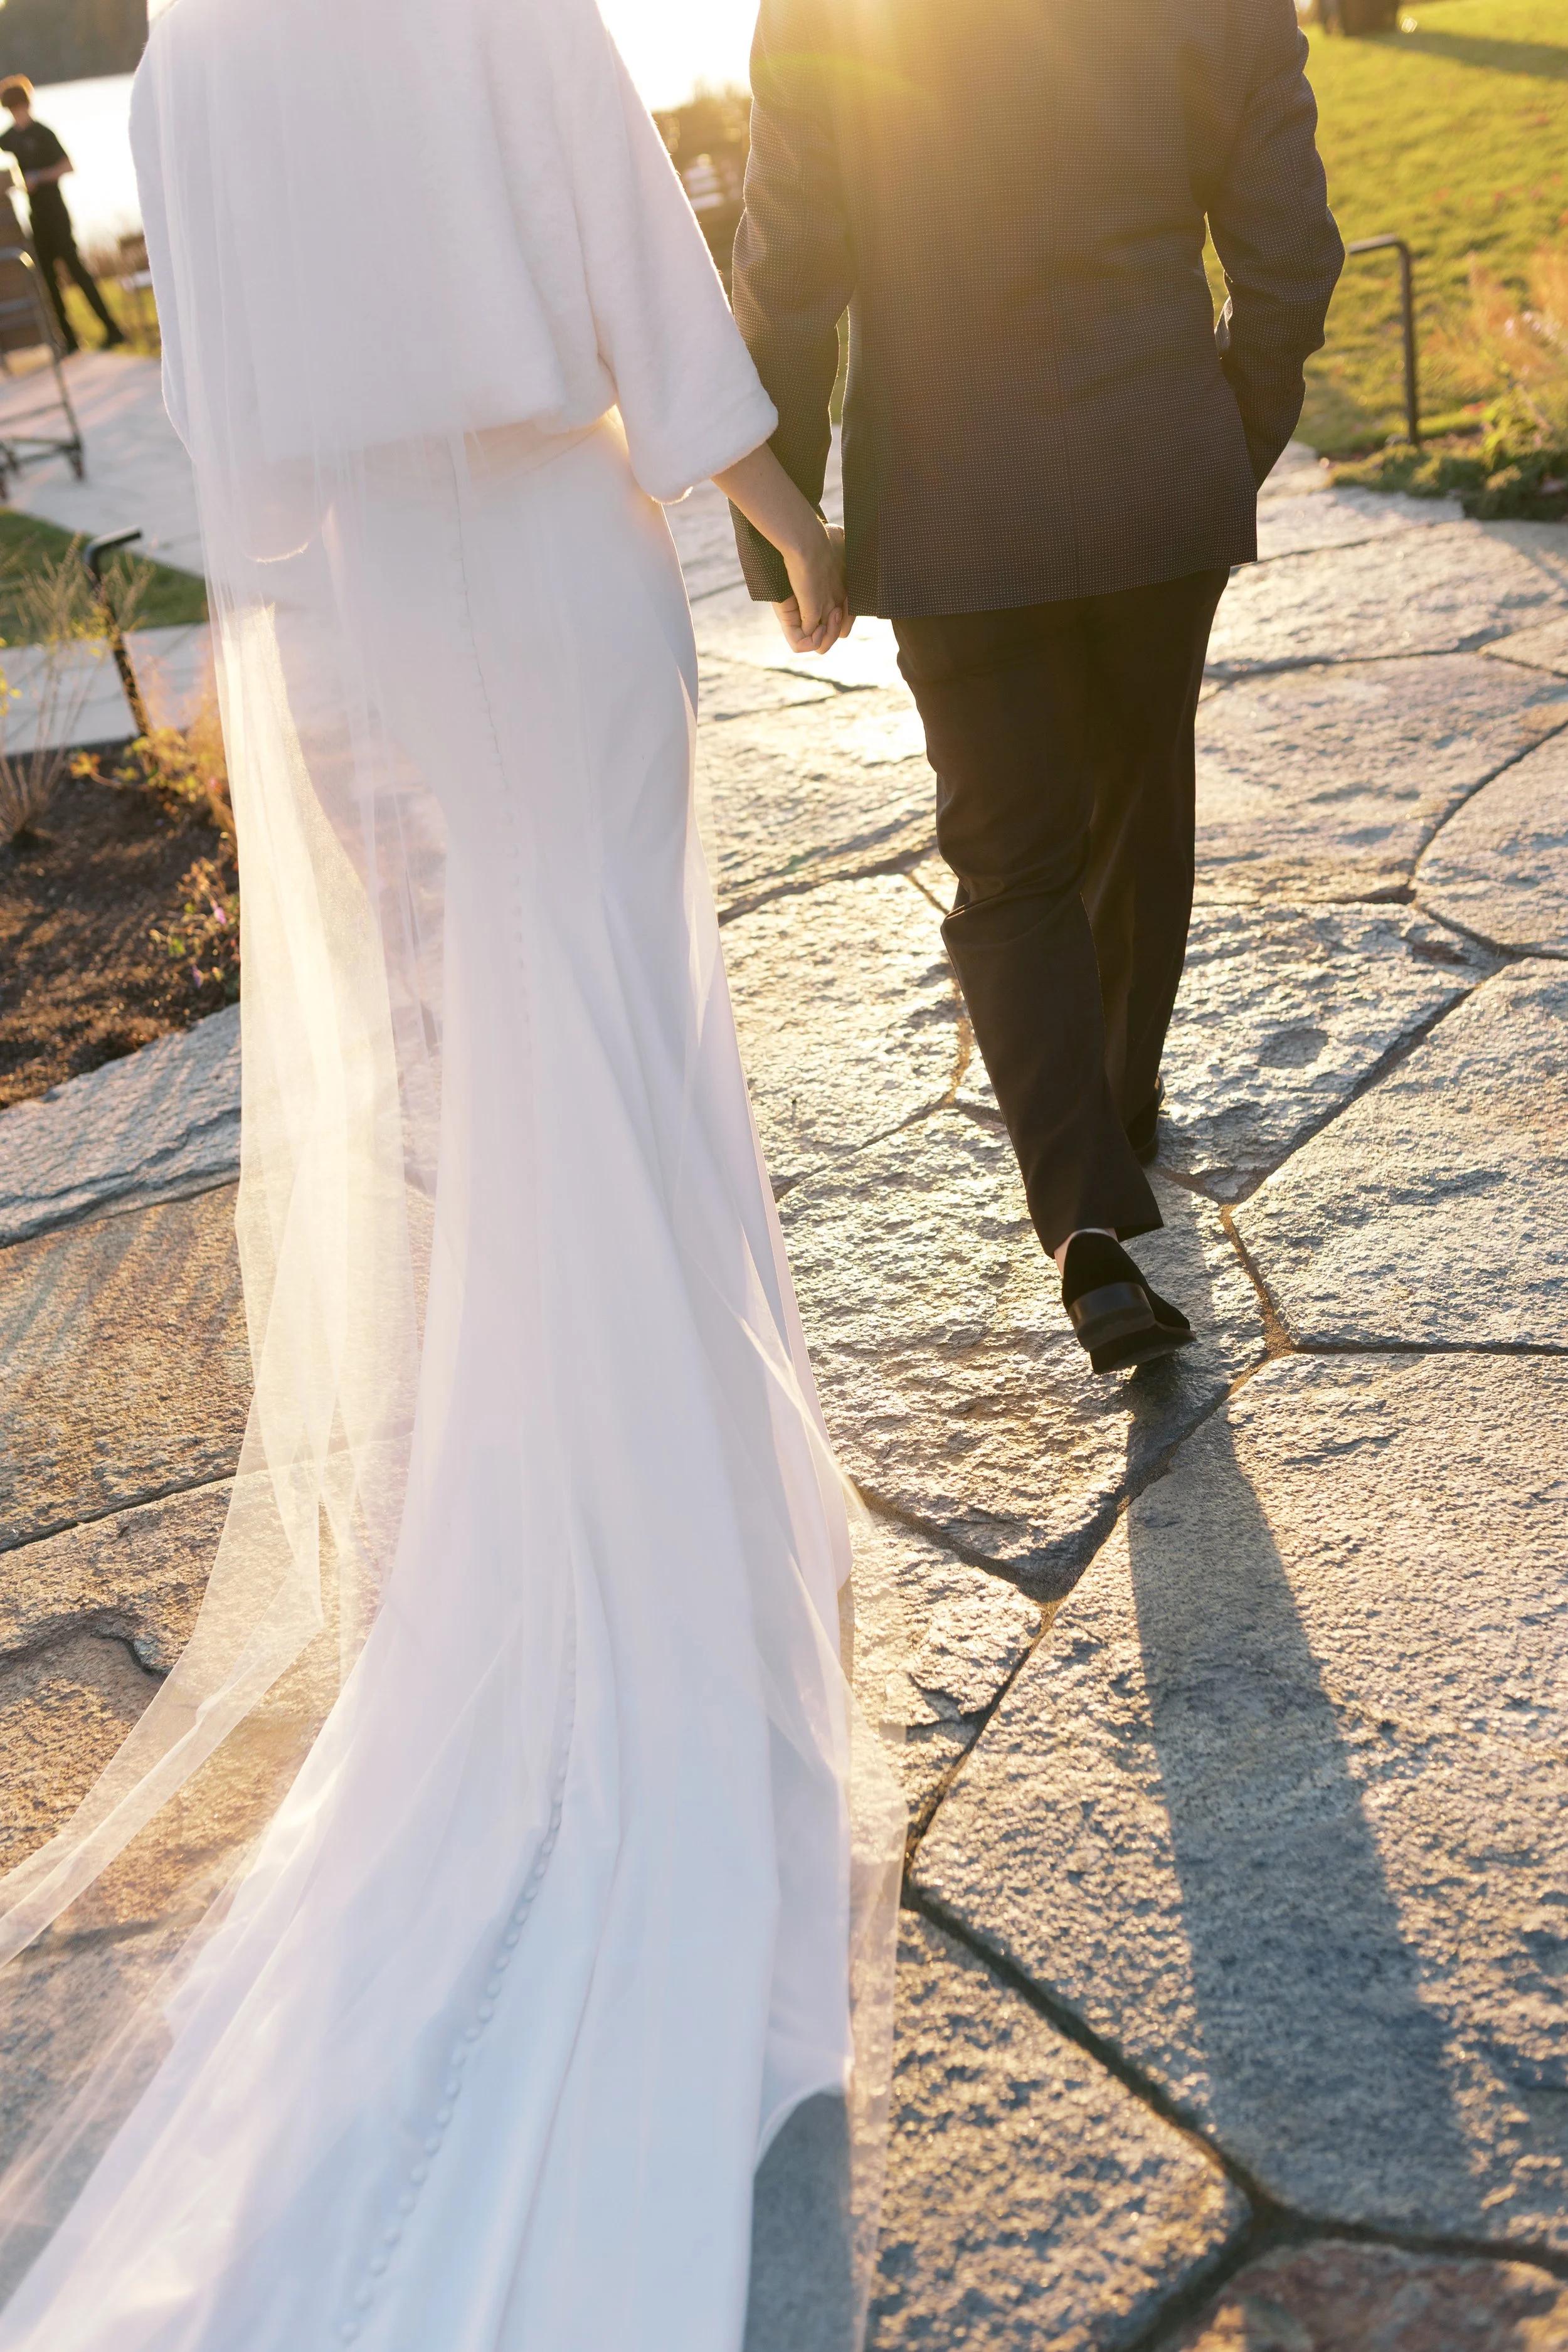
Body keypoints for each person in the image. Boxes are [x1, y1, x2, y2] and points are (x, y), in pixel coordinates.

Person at [0, 1, 898, 2347]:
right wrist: (771, 490)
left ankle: (628, 1539)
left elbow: (219, 419)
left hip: (387, 595)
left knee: (536, 1059)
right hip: (560, 553)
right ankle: (681, 1563)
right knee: (624, 1039)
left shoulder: (194, 51)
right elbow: (627, 238)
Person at [730, 0, 1343, 1374]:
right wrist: (1223, 439)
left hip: (951, 504)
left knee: (1006, 861)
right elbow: (1290, 244)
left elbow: (786, 268)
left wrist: (784, 533)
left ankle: (1083, 1226)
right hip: (1154, 474)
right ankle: (1118, 1110)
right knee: (1137, 801)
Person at [0, 77, 126, 355]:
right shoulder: (10, 138)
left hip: (56, 213)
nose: (17, 114)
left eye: (20, 107)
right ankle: (68, 340)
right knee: (48, 279)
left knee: (78, 272)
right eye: (11, 110)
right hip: (36, 217)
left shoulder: (44, 133)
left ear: (27, 105)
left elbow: (68, 166)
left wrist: (40, 177)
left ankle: (113, 329)